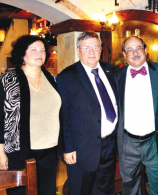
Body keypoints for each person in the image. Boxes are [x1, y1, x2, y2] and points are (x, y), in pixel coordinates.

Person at [0, 35, 61, 195]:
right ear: (22, 54)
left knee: (47, 191)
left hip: (49, 151)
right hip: (20, 152)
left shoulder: (53, 80)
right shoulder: (8, 80)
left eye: (42, 50)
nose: (39, 53)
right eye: (33, 49)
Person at [57, 31, 118, 195]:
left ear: (101, 49)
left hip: (109, 146)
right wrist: (67, 148)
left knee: (105, 190)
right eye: (86, 48)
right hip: (81, 149)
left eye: (95, 47)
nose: (91, 52)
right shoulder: (66, 77)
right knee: (82, 191)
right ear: (78, 50)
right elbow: (64, 116)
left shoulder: (108, 69)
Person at [114, 36, 158, 195]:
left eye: (138, 48)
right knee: (129, 186)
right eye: (130, 49)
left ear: (146, 51)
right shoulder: (116, 77)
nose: (135, 53)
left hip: (154, 142)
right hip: (128, 142)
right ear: (124, 54)